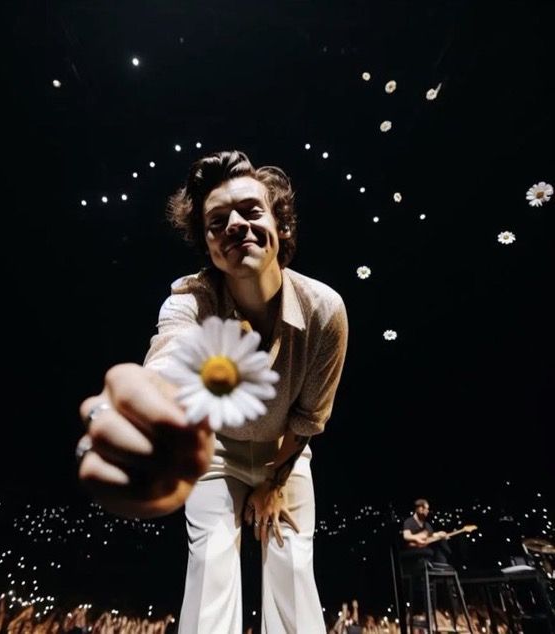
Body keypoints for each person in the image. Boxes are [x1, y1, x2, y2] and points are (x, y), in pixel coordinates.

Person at [77, 150, 349, 633]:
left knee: (291, 567)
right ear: (208, 245)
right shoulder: (190, 301)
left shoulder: (324, 311)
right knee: (212, 562)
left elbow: (308, 420)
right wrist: (147, 401)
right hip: (215, 451)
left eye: (251, 210)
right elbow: (169, 353)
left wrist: (272, 483)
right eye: (217, 221)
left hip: (284, 452)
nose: (236, 226)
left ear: (279, 224)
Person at [401, 499, 450, 566]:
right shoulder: (409, 521)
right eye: (426, 509)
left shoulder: (427, 525)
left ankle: (442, 566)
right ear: (420, 509)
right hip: (412, 549)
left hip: (426, 547)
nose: (428, 511)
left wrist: (439, 534)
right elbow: (406, 536)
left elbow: (432, 535)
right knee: (430, 550)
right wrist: (417, 538)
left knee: (441, 541)